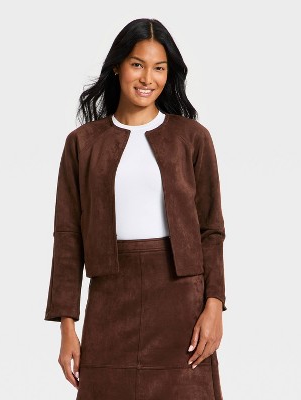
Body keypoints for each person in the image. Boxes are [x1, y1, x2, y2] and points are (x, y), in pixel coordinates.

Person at [44, 18, 227, 399]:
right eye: (137, 64)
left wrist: (214, 305)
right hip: (111, 301)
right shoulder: (83, 143)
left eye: (159, 68)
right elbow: (68, 236)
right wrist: (67, 327)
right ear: (117, 67)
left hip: (181, 302)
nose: (148, 78)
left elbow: (211, 229)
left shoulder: (192, 138)